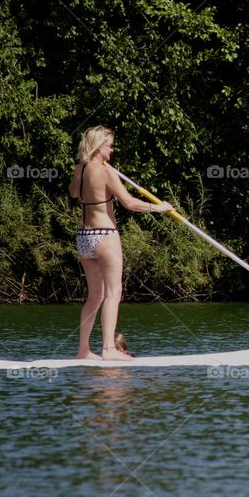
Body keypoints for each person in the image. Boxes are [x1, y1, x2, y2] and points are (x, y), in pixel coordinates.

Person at [68, 126, 172, 360]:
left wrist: (83, 176)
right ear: (98, 146)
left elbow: (73, 193)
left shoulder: (79, 169)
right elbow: (129, 203)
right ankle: (108, 349)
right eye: (110, 146)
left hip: (84, 238)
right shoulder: (106, 172)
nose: (112, 150)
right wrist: (159, 208)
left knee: (94, 296)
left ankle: (83, 350)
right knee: (114, 292)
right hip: (105, 235)